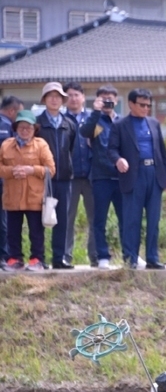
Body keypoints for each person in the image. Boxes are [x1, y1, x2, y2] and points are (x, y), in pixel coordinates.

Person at [108, 88, 166, 269]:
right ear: (131, 104)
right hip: (133, 174)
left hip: (154, 174)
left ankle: (152, 257)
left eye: (148, 106)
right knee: (132, 219)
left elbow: (162, 152)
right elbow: (111, 149)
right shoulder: (120, 125)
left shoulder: (154, 123)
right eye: (142, 105)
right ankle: (131, 258)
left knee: (153, 219)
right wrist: (118, 160)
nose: (145, 109)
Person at [0, 110, 55, 271]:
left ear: (34, 129)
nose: (25, 130)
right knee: (12, 232)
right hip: (12, 196)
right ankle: (15, 259)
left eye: (28, 127)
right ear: (16, 128)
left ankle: (37, 259)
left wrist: (32, 170)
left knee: (36, 232)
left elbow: (50, 169)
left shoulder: (41, 145)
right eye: (22, 127)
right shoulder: (6, 145)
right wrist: (12, 171)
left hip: (34, 196)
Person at [79, 85, 124, 270]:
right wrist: (96, 112)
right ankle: (102, 255)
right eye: (103, 98)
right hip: (101, 177)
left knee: (127, 219)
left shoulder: (122, 122)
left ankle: (131, 254)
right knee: (99, 220)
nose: (107, 101)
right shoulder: (96, 121)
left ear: (117, 100)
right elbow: (85, 132)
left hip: (122, 178)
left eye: (110, 98)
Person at [36, 81, 77, 269]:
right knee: (40, 219)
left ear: (62, 100)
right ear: (44, 99)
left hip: (65, 179)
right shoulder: (37, 123)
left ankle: (58, 258)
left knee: (62, 219)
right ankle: (38, 258)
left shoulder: (69, 123)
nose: (54, 99)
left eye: (58, 96)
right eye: (50, 96)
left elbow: (72, 148)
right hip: (42, 179)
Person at [63, 82, 96, 268]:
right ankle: (65, 256)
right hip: (70, 177)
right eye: (69, 95)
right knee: (68, 218)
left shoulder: (93, 118)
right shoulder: (61, 119)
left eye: (76, 95)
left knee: (95, 218)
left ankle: (95, 256)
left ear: (83, 97)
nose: (73, 98)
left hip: (91, 176)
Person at [0, 95, 23, 270]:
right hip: (4, 178)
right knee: (4, 219)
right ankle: (4, 256)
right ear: (12, 111)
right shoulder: (6, 126)